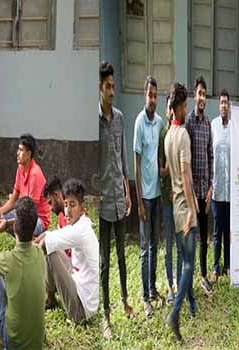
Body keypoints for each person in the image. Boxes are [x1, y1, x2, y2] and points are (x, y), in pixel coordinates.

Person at [98, 61, 135, 339]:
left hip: (119, 199)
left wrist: (128, 191)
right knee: (104, 261)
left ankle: (124, 301)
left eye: (114, 86)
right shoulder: (94, 119)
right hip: (101, 203)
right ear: (99, 88)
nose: (112, 91)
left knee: (122, 255)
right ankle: (106, 315)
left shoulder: (120, 118)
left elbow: (123, 158)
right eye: (108, 87)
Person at [0, 196, 45, 350]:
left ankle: (1, 326)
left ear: (15, 227)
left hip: (14, 343)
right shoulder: (39, 253)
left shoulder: (8, 260)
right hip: (37, 342)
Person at [36, 179, 99, 325]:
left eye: (73, 205)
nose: (68, 210)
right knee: (52, 246)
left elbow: (45, 244)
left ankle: (48, 297)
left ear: (82, 208)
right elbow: (47, 235)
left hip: (81, 311)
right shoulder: (79, 224)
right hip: (78, 282)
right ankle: (50, 298)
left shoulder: (80, 230)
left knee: (50, 251)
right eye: (66, 204)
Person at [165, 82, 197, 342]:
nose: (187, 110)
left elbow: (169, 171)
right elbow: (185, 174)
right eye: (185, 105)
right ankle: (175, 313)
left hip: (174, 208)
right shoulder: (183, 135)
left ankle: (193, 305)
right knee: (189, 264)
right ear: (177, 108)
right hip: (184, 209)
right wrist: (191, 210)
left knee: (185, 258)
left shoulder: (167, 136)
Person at [134, 75, 165, 318]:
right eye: (149, 95)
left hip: (158, 196)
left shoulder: (161, 123)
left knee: (155, 245)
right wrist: (138, 202)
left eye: (155, 95)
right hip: (145, 197)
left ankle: (153, 289)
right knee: (144, 249)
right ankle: (145, 298)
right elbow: (136, 165)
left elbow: (161, 159)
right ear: (144, 95)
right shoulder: (139, 123)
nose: (152, 99)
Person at [184, 75, 213, 295]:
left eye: (204, 94)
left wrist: (211, 187)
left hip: (205, 191)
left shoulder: (208, 124)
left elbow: (210, 156)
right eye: (199, 93)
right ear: (194, 96)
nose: (202, 97)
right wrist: (192, 193)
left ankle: (203, 276)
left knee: (204, 237)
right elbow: (186, 159)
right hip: (191, 193)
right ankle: (188, 279)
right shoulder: (189, 123)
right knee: (191, 238)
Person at [0, 134, 51, 237]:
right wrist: (0, 211)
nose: (17, 153)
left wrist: (7, 223)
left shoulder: (35, 174)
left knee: (16, 224)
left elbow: (28, 215)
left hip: (37, 220)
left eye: (21, 150)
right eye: (18, 149)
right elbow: (13, 200)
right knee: (1, 218)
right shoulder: (20, 168)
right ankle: (22, 243)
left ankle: (30, 244)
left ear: (28, 154)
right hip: (24, 213)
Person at [159, 95, 181, 304]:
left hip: (180, 200)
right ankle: (170, 286)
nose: (171, 110)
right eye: (169, 107)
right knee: (169, 245)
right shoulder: (163, 134)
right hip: (167, 200)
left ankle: (180, 284)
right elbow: (161, 169)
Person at [211, 89, 232, 283]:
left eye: (226, 102)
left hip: (231, 192)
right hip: (217, 189)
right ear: (219, 106)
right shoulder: (213, 126)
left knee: (228, 231)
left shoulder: (234, 128)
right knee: (217, 230)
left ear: (229, 106)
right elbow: (211, 156)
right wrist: (210, 183)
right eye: (221, 102)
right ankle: (216, 267)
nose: (224, 105)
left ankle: (228, 265)